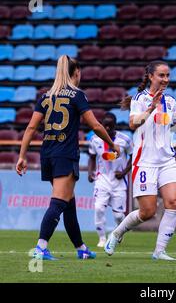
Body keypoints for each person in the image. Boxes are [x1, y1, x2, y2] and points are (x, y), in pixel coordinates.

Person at [15, 55, 120, 260]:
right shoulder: (77, 95)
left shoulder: (45, 96)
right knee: (58, 202)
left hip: (48, 153)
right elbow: (96, 125)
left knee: (68, 203)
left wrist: (22, 156)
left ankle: (81, 248)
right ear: (76, 73)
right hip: (65, 154)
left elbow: (30, 127)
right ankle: (41, 247)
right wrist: (112, 143)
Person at [104, 60, 176, 260]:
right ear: (151, 76)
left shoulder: (170, 101)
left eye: (168, 75)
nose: (165, 79)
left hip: (167, 160)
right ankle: (118, 232)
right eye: (161, 75)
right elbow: (133, 123)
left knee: (173, 201)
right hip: (145, 162)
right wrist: (151, 108)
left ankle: (159, 251)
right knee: (147, 212)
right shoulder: (140, 99)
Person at [88, 112, 133, 247]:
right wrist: (90, 172)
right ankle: (102, 239)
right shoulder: (95, 140)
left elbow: (133, 156)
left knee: (119, 216)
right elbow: (91, 157)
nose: (107, 129)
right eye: (104, 126)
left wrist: (124, 172)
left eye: (110, 126)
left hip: (119, 182)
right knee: (99, 209)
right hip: (102, 179)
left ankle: (118, 234)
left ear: (115, 126)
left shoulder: (125, 140)